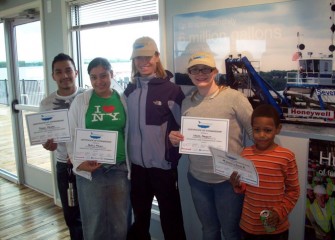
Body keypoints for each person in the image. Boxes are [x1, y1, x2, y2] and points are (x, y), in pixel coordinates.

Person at [169, 51, 253, 240]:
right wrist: (176, 138)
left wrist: (245, 168)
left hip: (229, 180)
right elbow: (188, 136)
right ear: (189, 74)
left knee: (231, 232)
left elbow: (254, 134)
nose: (200, 73)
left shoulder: (234, 98)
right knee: (208, 230)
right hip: (198, 178)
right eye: (194, 70)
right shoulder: (186, 102)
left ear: (214, 71)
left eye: (205, 69)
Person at [124, 36, 186, 240]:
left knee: (172, 222)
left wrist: (173, 154)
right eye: (138, 58)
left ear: (157, 57)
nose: (143, 62)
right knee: (140, 222)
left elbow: (184, 129)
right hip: (138, 169)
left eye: (148, 57)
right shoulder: (129, 91)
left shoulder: (172, 91)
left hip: (163, 168)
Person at [66, 57, 131, 240]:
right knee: (94, 224)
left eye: (103, 75)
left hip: (119, 168)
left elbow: (128, 133)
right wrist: (79, 163)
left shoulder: (122, 99)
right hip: (91, 170)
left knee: (120, 223)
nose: (99, 81)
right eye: (93, 77)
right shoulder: (81, 101)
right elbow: (70, 135)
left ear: (112, 74)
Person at [229, 104, 300, 240]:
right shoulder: (245, 154)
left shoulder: (287, 156)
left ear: (277, 129)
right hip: (249, 225)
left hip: (276, 226)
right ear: (252, 129)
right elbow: (244, 187)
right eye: (257, 130)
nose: (262, 135)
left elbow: (293, 191)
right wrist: (237, 184)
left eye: (267, 130)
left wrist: (279, 213)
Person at [40, 53, 84, 240]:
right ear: (53, 76)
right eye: (59, 72)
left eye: (68, 70)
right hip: (64, 167)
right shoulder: (46, 104)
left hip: (89, 163)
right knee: (72, 216)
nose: (64, 75)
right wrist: (47, 144)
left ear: (76, 72)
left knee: (93, 212)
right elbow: (45, 138)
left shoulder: (88, 96)